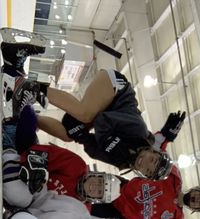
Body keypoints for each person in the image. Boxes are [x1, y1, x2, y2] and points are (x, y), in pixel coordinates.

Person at [1, 37, 185, 179]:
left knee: (68, 135)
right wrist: (104, 140)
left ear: (144, 174)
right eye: (151, 160)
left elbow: (94, 151)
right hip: (116, 89)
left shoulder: (121, 162)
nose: (145, 163)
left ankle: (25, 113)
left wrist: (82, 137)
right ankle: (29, 87)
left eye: (147, 169)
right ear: (152, 150)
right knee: (85, 113)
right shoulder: (139, 131)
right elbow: (102, 120)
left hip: (100, 113)